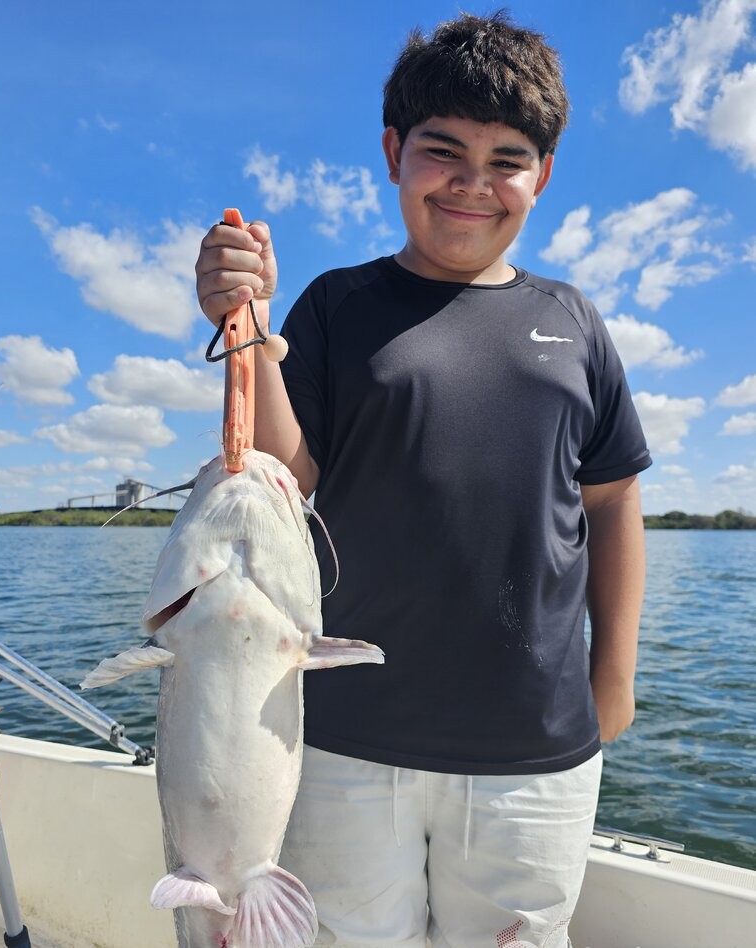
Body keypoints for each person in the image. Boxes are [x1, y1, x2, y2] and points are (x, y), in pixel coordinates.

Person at [195, 11, 650, 948]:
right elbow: (283, 479)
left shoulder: (575, 322)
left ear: (542, 176)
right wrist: (249, 324)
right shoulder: (337, 304)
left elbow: (611, 504)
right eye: (443, 151)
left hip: (536, 744)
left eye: (506, 160)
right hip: (341, 736)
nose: (473, 183)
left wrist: (615, 673)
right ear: (394, 152)